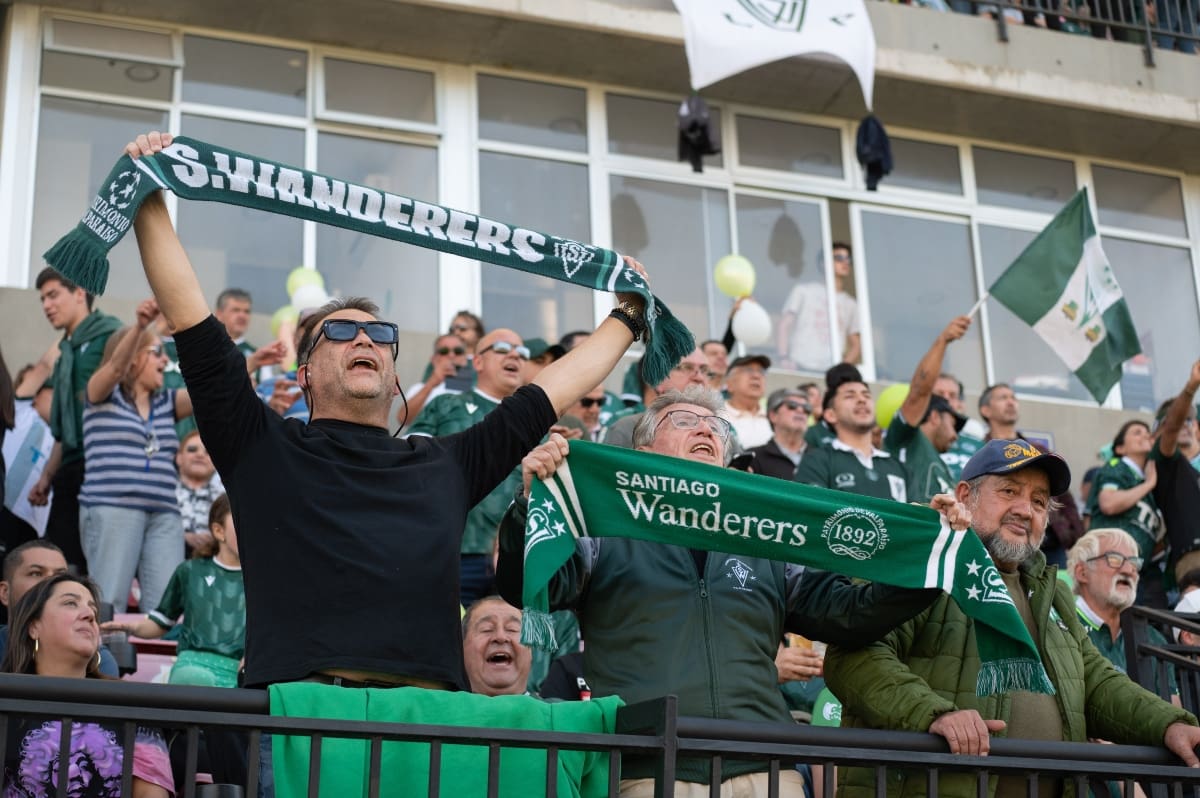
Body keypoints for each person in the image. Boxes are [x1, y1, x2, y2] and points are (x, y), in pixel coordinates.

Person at [125, 129, 647, 690]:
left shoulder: (446, 462)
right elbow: (193, 325)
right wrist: (150, 192)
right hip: (302, 715)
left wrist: (630, 314)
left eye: (379, 335)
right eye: (341, 333)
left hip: (423, 724)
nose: (364, 341)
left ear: (395, 374)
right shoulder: (259, 444)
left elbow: (552, 390)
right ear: (304, 375)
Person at [495, 385, 957, 797]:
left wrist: (927, 560)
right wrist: (530, 507)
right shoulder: (601, 532)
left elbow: (851, 614)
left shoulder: (767, 538)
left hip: (767, 770)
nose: (706, 430)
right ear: (643, 449)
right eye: (685, 420)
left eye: (716, 426)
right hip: (649, 771)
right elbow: (530, 585)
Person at [826, 439, 1200, 798]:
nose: (1026, 510)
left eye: (1039, 501)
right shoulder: (920, 561)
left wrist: (1170, 723)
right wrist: (933, 714)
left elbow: (1095, 681)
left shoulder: (1050, 591)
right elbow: (855, 658)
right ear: (964, 495)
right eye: (1009, 491)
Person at [1, 572, 173, 797]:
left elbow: (150, 794)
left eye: (93, 608)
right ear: (34, 626)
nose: (90, 615)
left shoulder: (132, 704)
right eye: (71, 603)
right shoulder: (7, 701)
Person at [78, 299, 194, 613]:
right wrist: (141, 327)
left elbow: (207, 391)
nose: (163, 361)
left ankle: (159, 666)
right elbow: (114, 368)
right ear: (133, 359)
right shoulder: (100, 395)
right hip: (113, 508)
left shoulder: (165, 402)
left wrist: (251, 364)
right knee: (108, 603)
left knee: (166, 611)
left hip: (164, 514)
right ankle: (103, 664)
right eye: (156, 352)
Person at [408, 328, 535, 606]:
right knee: (450, 642)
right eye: (502, 348)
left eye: (522, 353)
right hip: (452, 552)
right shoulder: (445, 405)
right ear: (477, 362)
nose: (514, 355)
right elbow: (411, 464)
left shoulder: (538, 421)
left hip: (516, 557)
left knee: (509, 641)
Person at [27, 268, 122, 573]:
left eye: (53, 295)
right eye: (43, 299)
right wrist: (46, 477)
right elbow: (64, 427)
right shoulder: (66, 351)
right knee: (63, 564)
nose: (46, 305)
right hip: (70, 470)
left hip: (104, 468)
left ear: (80, 293)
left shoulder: (112, 334)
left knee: (96, 569)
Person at [102, 494, 245, 687]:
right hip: (192, 666)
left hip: (240, 672)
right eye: (242, 522)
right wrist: (131, 627)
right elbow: (161, 622)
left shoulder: (263, 581)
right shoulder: (190, 571)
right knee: (196, 679)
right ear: (219, 531)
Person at [1069, 527, 1176, 699]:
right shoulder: (1060, 626)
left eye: (1134, 562)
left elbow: (1174, 713)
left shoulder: (1153, 639)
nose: (1128, 570)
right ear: (1082, 572)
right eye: (1114, 559)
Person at [882, 316, 971, 503]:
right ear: (935, 417)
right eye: (953, 424)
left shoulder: (942, 466)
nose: (956, 436)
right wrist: (943, 341)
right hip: (906, 529)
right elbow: (919, 393)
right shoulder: (906, 438)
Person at [0, 539, 118, 676]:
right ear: (4, 592)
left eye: (60, 576)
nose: (49, 581)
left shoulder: (103, 663)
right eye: (36, 573)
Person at [795, 367, 910, 503]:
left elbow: (917, 518)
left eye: (866, 395)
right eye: (850, 396)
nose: (862, 400)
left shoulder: (899, 467)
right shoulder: (816, 462)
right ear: (831, 415)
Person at [1086, 420, 1165, 608]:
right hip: (1110, 566)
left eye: (1147, 432)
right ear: (1120, 448)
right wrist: (1148, 484)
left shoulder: (1148, 478)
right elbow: (1109, 503)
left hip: (1138, 573)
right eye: (1137, 432)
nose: (1145, 435)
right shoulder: (1117, 466)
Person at [602, 347, 710, 449]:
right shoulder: (627, 428)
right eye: (686, 367)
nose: (699, 377)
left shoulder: (719, 429)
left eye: (704, 369)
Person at [1151, 360, 1200, 584]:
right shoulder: (1166, 465)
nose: (1185, 424)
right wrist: (1191, 388)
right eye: (1179, 418)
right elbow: (1173, 427)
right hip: (1194, 558)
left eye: (1190, 419)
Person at [777, 242, 861, 371]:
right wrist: (783, 358)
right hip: (799, 363)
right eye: (838, 258)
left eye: (848, 259)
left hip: (830, 368)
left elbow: (856, 344)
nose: (845, 262)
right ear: (823, 263)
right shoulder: (803, 291)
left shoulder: (851, 304)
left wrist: (842, 368)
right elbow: (784, 325)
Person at [461, 595, 533, 697]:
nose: (500, 637)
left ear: (531, 650)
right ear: (461, 648)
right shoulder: (440, 711)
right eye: (486, 629)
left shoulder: (556, 711)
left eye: (512, 629)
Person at [400, 332, 469, 423]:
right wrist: (431, 383)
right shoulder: (419, 388)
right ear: (433, 359)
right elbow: (403, 419)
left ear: (465, 358)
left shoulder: (478, 387)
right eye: (444, 351)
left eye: (458, 351)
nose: (451, 355)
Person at [176, 430, 223, 557]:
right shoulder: (163, 490)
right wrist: (182, 537)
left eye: (208, 452)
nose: (200, 455)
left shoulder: (227, 498)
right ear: (178, 457)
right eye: (192, 449)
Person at [748, 388, 810, 480]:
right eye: (792, 406)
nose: (801, 410)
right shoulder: (753, 457)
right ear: (773, 416)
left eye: (806, 408)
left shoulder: (822, 457)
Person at [934, 372, 986, 482]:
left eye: (952, 395)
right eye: (940, 394)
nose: (946, 399)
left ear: (960, 403)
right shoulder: (916, 436)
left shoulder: (977, 439)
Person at [720, 355, 772, 449]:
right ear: (729, 384)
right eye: (748, 370)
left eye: (761, 371)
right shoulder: (717, 416)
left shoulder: (774, 418)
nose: (756, 376)